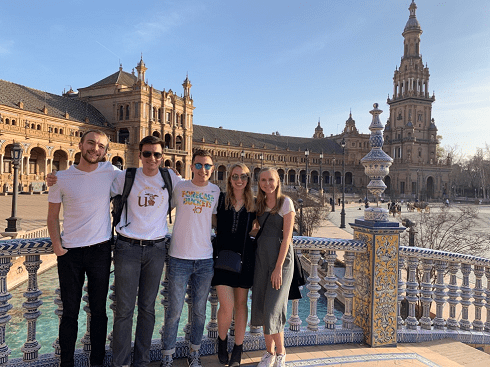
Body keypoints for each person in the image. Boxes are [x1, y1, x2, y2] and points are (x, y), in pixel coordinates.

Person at [47, 130, 119, 367]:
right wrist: (58, 248)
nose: (95, 149)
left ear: (105, 151)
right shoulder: (61, 178)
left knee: (99, 312)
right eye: (91, 143)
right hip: (70, 254)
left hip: (100, 251)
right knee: (69, 313)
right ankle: (66, 363)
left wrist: (171, 176)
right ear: (80, 145)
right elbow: (52, 217)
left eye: (101, 146)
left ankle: (96, 362)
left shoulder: (110, 172)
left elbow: (143, 178)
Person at [111, 136, 181, 367]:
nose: (152, 158)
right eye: (147, 153)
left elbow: (192, 193)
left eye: (157, 154)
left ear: (163, 157)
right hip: (127, 247)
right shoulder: (125, 177)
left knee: (148, 309)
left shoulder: (170, 178)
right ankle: (120, 362)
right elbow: (97, 190)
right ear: (139, 154)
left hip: (156, 249)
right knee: (123, 309)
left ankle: (141, 361)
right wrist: (59, 178)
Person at [161, 149, 220, 367]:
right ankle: (167, 356)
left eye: (207, 166)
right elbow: (160, 205)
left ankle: (193, 353)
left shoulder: (216, 191)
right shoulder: (180, 187)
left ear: (212, 169)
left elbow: (215, 222)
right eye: (198, 165)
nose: (202, 169)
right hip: (179, 258)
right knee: (174, 311)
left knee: (200, 312)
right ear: (191, 166)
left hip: (205, 260)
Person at [212, 163, 256, 367]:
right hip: (223, 259)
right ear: (230, 179)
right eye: (235, 176)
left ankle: (238, 349)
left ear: (248, 180)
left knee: (241, 306)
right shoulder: (220, 200)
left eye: (244, 177)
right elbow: (210, 221)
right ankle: (222, 342)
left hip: (245, 260)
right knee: (227, 306)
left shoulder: (255, 204)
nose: (239, 180)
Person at [251, 168, 295, 367]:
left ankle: (281, 352)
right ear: (258, 182)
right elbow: (255, 234)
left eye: (271, 180)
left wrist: (278, 268)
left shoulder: (285, 202)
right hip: (261, 258)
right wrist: (253, 231)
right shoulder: (258, 204)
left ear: (278, 181)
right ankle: (269, 353)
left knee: (273, 309)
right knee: (261, 306)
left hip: (281, 261)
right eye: (263, 180)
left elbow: (287, 238)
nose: (267, 183)